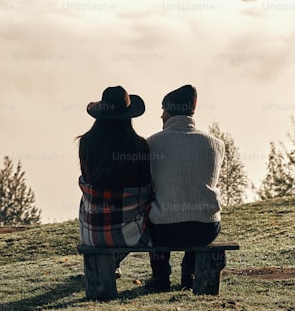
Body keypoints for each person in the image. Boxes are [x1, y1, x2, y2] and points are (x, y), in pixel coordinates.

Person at [146, 84, 224, 290]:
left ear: (169, 111)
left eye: (163, 109)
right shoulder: (215, 144)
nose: (161, 115)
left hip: (165, 230)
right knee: (195, 214)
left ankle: (160, 276)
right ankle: (189, 273)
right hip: (206, 228)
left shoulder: (151, 144)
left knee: (154, 219)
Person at [77, 86, 153, 263]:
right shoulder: (139, 146)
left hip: (92, 231)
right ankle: (160, 274)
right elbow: (146, 185)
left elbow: (87, 180)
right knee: (153, 206)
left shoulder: (86, 143)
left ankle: (111, 263)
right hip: (129, 234)